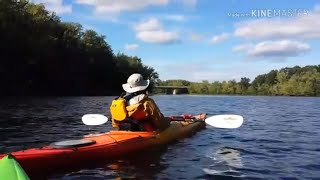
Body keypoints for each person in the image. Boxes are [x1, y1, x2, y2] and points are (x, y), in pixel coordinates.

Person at [110, 73, 207, 132]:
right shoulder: (146, 102)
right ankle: (195, 119)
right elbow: (160, 124)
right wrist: (169, 121)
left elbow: (115, 124)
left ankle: (195, 118)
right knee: (173, 122)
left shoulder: (117, 102)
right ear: (143, 87)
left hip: (123, 132)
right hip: (146, 133)